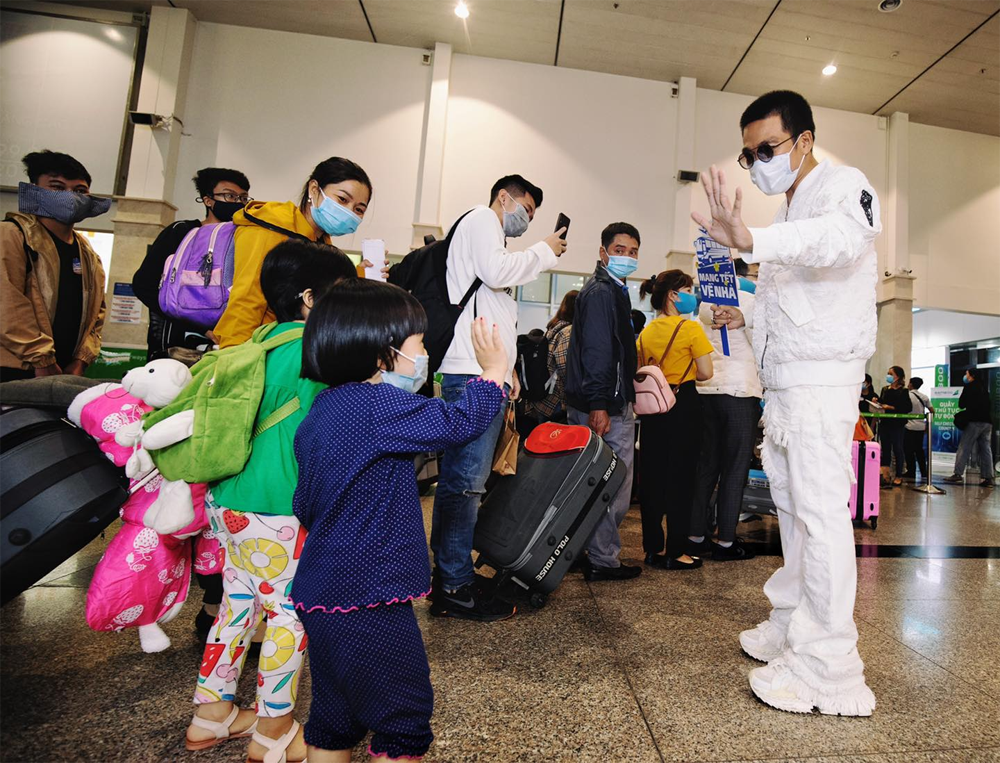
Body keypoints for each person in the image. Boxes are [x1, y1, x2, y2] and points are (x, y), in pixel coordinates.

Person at [693, 89, 880, 715]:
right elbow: (795, 301)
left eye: (766, 149)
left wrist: (754, 238)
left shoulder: (842, 187)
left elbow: (838, 242)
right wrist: (743, 312)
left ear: (804, 140)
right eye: (749, 155)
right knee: (795, 508)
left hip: (822, 380)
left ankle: (830, 666)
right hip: (787, 383)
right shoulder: (791, 206)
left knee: (820, 513)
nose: (757, 164)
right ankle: (793, 620)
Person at [292, 281, 508, 762]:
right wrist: (494, 372)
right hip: (367, 594)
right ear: (382, 353)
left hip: (320, 593)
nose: (424, 354)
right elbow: (458, 423)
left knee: (335, 717)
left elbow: (304, 503)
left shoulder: (321, 411)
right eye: (419, 343)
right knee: (403, 717)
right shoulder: (378, 405)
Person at [185, 240, 357, 763]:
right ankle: (273, 729)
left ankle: (211, 714)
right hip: (279, 507)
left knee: (236, 606)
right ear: (310, 298)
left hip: (228, 500)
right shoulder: (316, 353)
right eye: (342, 292)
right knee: (288, 615)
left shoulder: (255, 342)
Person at [430, 174, 567, 621]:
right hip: (471, 375)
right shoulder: (481, 219)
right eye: (526, 209)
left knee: (464, 482)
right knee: (465, 484)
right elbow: (495, 272)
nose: (527, 219)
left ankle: (451, 575)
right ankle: (453, 585)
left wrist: (509, 374)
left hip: (484, 375)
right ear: (503, 198)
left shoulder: (492, 240)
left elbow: (494, 310)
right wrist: (545, 249)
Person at [212, 157, 372, 348]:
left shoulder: (319, 240)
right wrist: (233, 355)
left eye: (359, 209)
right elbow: (246, 300)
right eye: (342, 199)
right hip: (258, 346)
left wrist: (359, 276)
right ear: (314, 189)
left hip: (288, 342)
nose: (349, 212)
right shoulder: (271, 228)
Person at [564, 223, 643, 581]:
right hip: (603, 405)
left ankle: (589, 551)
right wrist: (599, 404)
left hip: (603, 400)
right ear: (603, 253)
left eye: (633, 251)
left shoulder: (613, 290)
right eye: (619, 250)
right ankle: (602, 559)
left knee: (594, 482)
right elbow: (598, 352)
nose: (627, 257)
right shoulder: (601, 293)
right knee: (614, 485)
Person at [0, 150, 108, 382]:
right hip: (14, 368)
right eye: (57, 187)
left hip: (64, 372)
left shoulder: (88, 253)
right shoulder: (12, 234)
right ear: (35, 190)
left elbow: (97, 314)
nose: (70, 196)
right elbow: (6, 302)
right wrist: (41, 359)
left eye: (79, 190)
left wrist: (81, 359)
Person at [634, 270, 714, 571]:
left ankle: (652, 549)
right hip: (683, 406)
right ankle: (676, 551)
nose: (691, 296)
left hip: (653, 407)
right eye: (688, 290)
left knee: (653, 478)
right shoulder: (690, 329)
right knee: (682, 478)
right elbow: (706, 372)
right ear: (673, 295)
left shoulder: (646, 332)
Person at [132, 167, 252, 362]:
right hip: (175, 346)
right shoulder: (181, 232)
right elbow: (143, 285)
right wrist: (198, 327)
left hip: (226, 344)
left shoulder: (244, 238)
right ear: (208, 200)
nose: (238, 202)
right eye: (229, 196)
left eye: (243, 197)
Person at [690, 264, 761, 561]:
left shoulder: (704, 305)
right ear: (743, 275)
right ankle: (726, 541)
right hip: (739, 391)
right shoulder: (751, 300)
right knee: (734, 469)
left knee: (706, 465)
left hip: (707, 390)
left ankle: (695, 536)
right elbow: (763, 344)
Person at [522, 289, 577, 427]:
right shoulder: (568, 331)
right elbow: (564, 367)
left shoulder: (554, 327)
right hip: (554, 401)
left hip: (543, 397)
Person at [945, 368, 995, 487]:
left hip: (974, 421)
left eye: (966, 374)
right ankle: (988, 478)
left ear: (972, 376)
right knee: (986, 449)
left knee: (964, 447)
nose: (965, 376)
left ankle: (957, 474)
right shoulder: (984, 388)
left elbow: (961, 404)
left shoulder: (969, 387)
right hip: (987, 422)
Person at [878, 366, 912, 488]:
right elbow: (882, 402)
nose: (888, 376)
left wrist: (891, 407)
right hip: (885, 423)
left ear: (897, 376)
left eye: (891, 374)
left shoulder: (904, 391)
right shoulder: (885, 389)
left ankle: (899, 475)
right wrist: (877, 402)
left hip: (897, 424)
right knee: (885, 449)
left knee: (898, 449)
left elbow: (907, 407)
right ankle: (885, 475)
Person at [904, 377, 933, 483]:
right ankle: (923, 471)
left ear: (911, 384)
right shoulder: (924, 397)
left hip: (909, 426)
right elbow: (932, 410)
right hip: (920, 427)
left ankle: (911, 471)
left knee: (908, 450)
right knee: (919, 450)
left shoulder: (907, 395)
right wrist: (928, 424)